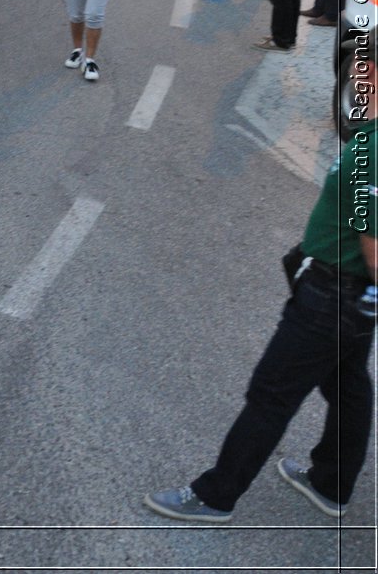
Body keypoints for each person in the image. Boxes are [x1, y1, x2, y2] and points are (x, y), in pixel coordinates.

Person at [142, 56, 374, 522]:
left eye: (367, 68)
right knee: (348, 385)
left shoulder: (373, 151)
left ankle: (215, 496)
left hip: (334, 296)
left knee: (272, 394)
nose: (356, 76)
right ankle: (330, 484)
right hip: (350, 298)